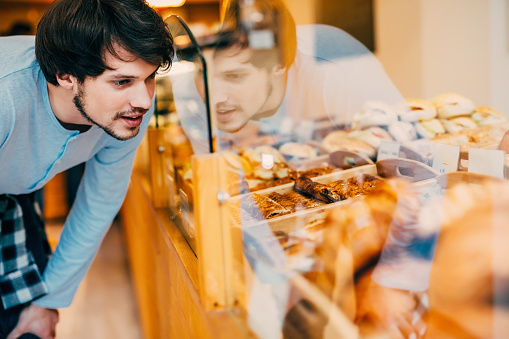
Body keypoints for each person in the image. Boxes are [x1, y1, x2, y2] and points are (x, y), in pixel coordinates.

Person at [0, 0, 173, 337]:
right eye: (122, 82)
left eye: (149, 78)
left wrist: (49, 300)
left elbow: (99, 202)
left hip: (15, 197)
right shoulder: (5, 97)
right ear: (66, 76)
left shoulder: (132, 109)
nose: (145, 100)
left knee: (31, 322)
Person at [170, 0, 403, 154]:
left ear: (278, 65)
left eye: (235, 76)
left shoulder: (336, 68)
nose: (214, 97)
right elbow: (215, 186)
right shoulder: (190, 88)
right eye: (204, 73)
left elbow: (405, 150)